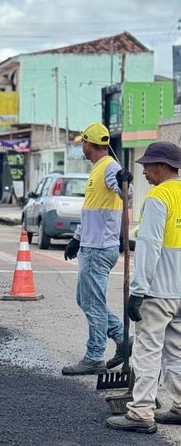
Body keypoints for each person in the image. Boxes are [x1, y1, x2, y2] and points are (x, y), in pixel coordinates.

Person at [106, 141, 181, 434]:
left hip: (158, 290)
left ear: (163, 166)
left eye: (148, 166)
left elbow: (150, 246)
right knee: (177, 350)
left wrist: (137, 291)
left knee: (148, 349)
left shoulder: (158, 197)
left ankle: (140, 413)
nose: (145, 171)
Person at [62, 122, 134, 375]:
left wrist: (125, 182)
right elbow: (90, 210)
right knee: (85, 300)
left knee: (93, 303)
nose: (82, 146)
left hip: (100, 248)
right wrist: (77, 238)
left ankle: (94, 357)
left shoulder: (109, 167)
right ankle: (123, 338)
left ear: (88, 143)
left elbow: (127, 193)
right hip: (91, 245)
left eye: (83, 142)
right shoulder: (97, 169)